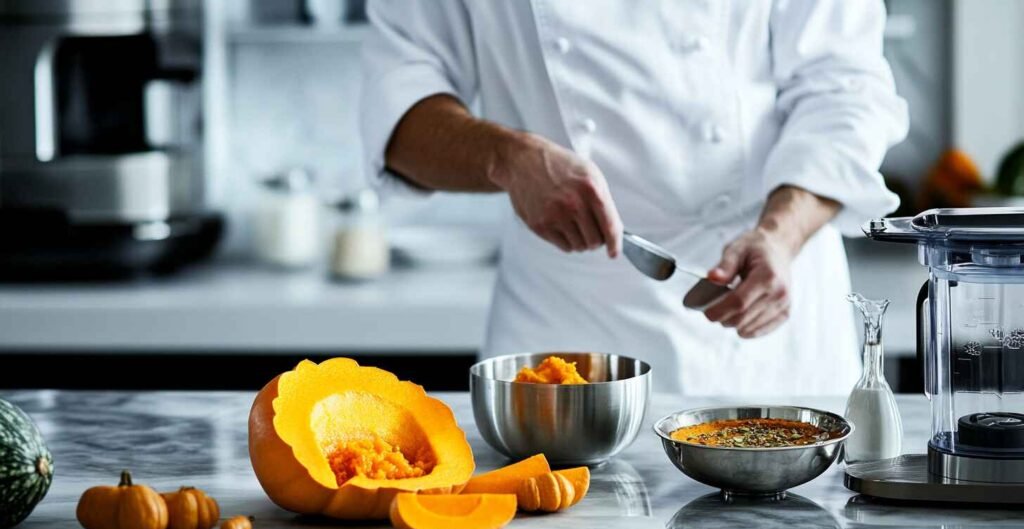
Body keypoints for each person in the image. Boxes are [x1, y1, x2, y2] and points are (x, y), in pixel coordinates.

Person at [360, 1, 908, 395]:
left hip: (767, 304)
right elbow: (398, 113)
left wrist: (782, 234)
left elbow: (845, 90)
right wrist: (509, 157)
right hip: (567, 321)